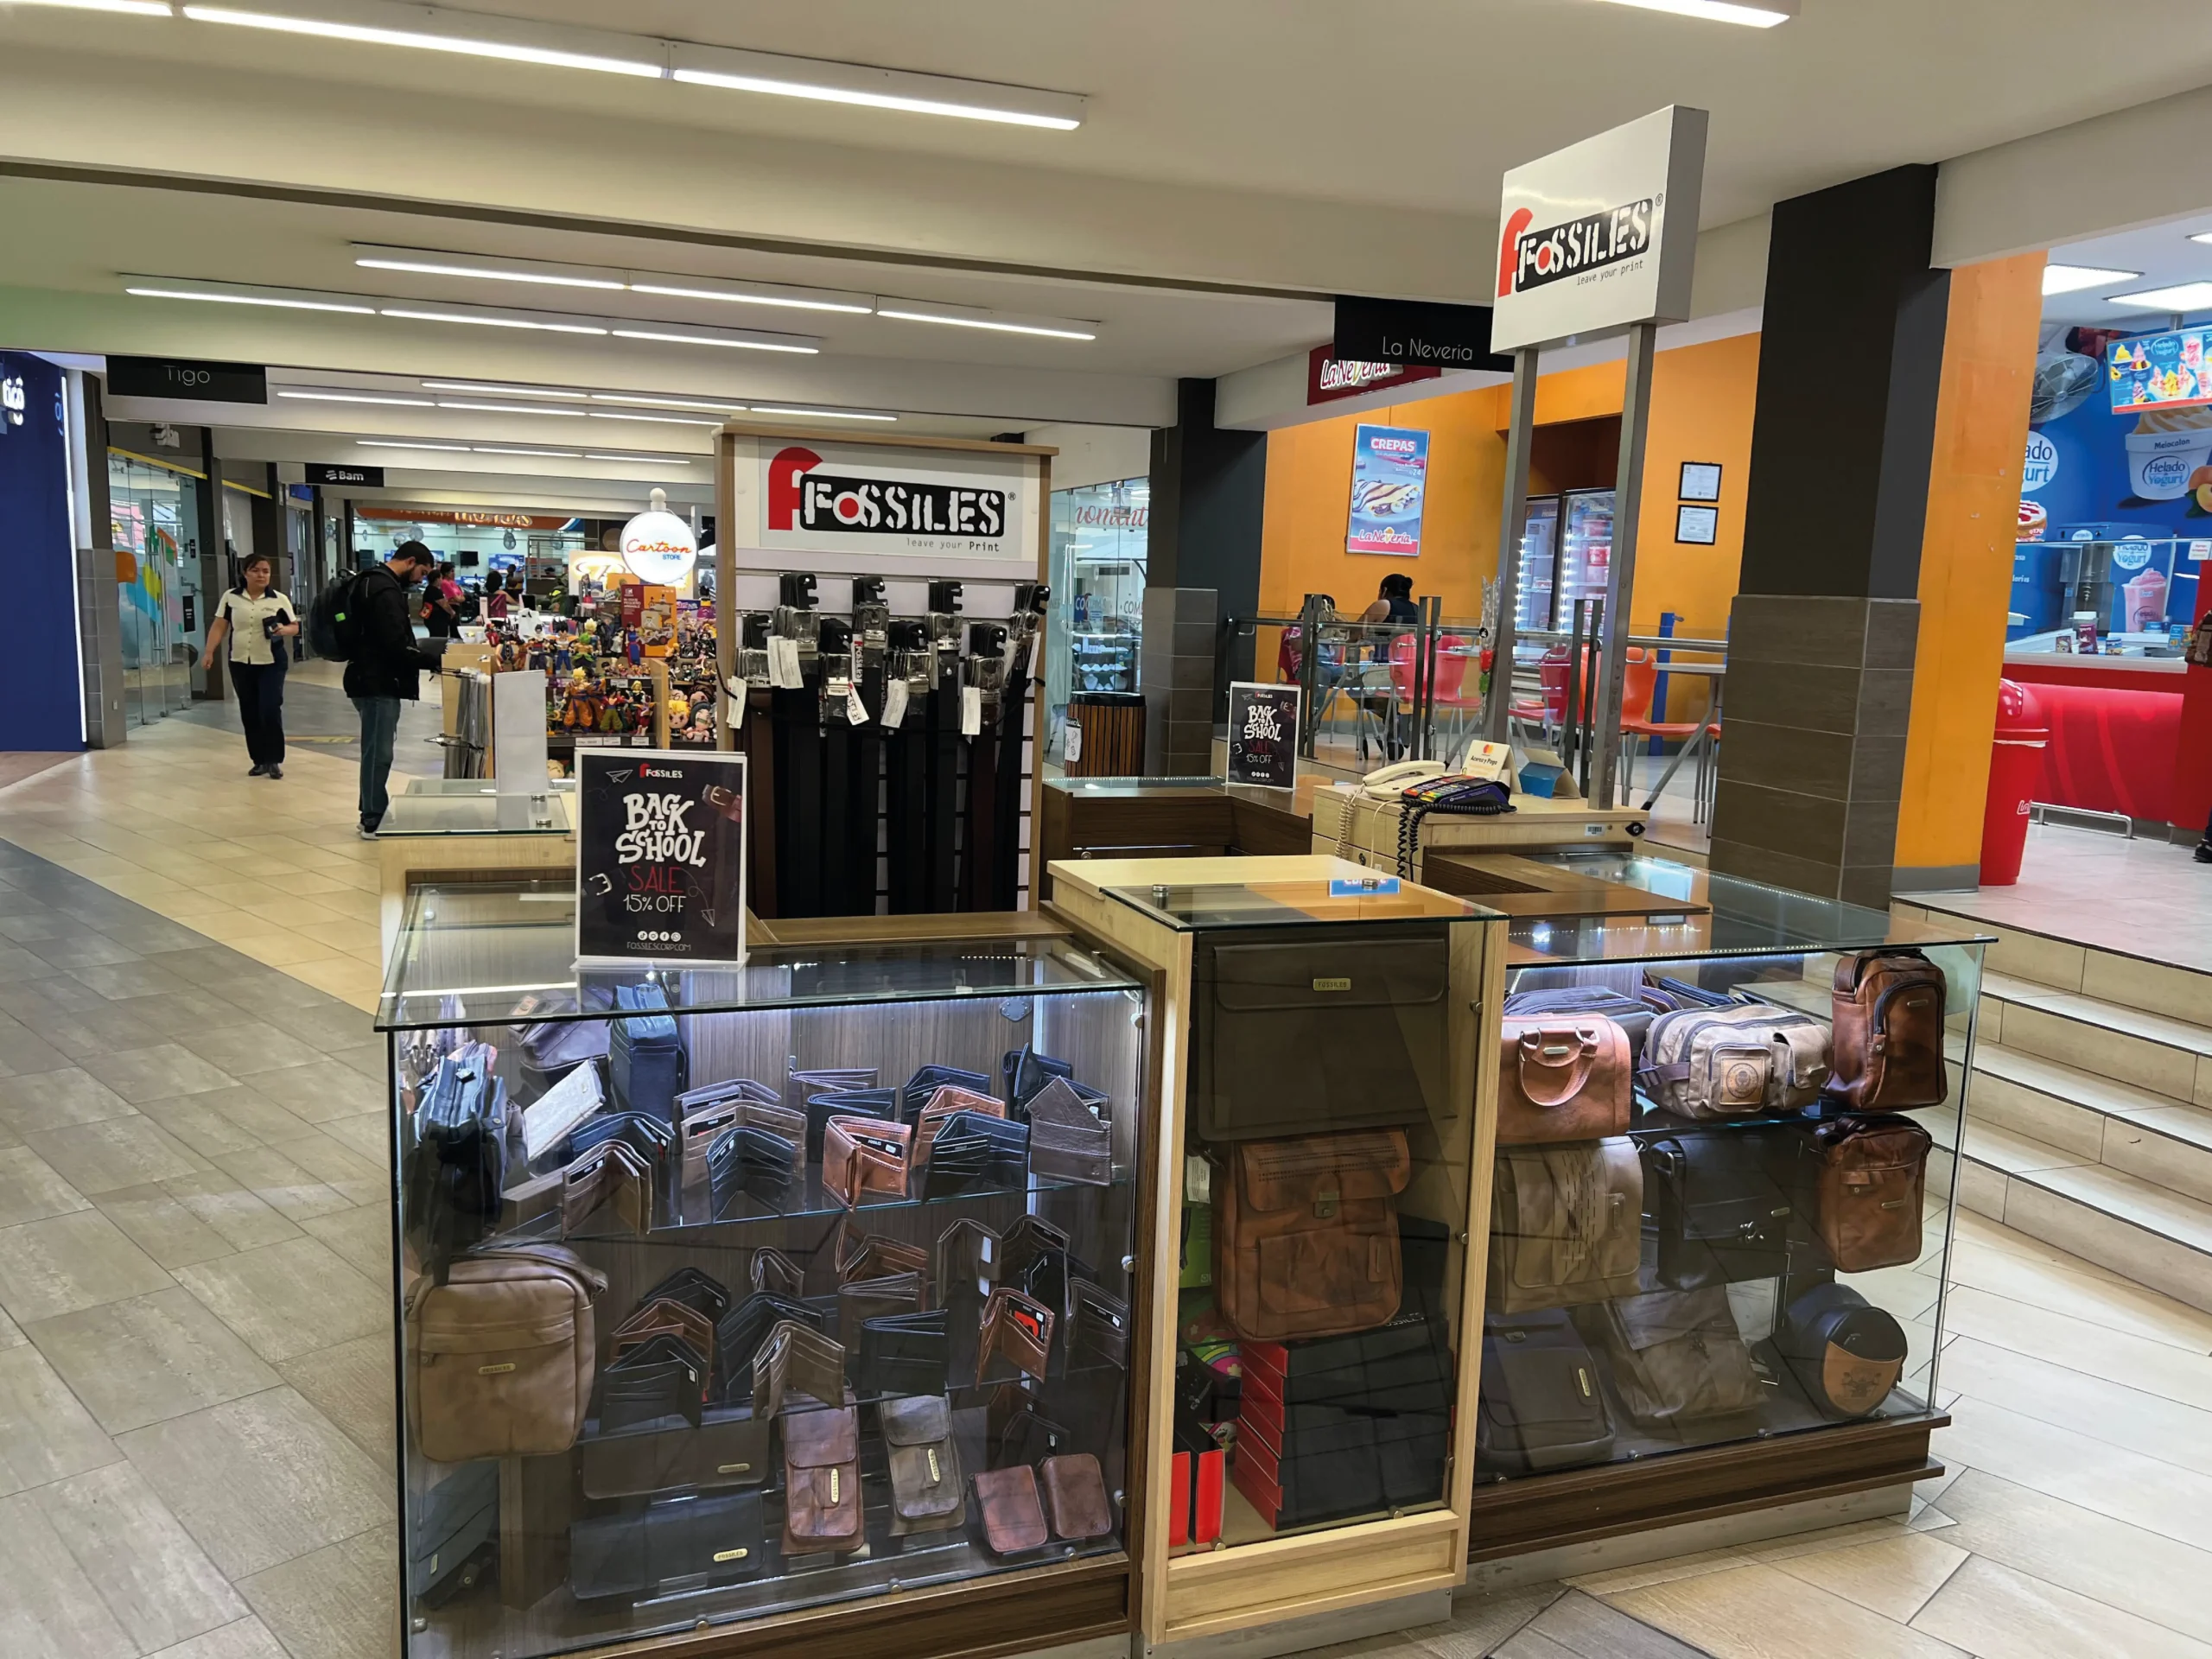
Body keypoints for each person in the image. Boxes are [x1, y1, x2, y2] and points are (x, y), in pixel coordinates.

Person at [346, 541, 445, 839]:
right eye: (422, 572)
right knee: (379, 753)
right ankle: (372, 818)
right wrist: (434, 661)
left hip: (368, 677)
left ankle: (370, 809)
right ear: (410, 561)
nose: (420, 579)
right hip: (377, 681)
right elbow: (395, 645)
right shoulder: (384, 590)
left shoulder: (372, 581)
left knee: (375, 749)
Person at [200, 551, 297, 779]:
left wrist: (283, 630)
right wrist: (209, 651)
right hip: (241, 662)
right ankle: (259, 760)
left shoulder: (279, 599)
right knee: (250, 711)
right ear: (245, 573)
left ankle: (274, 760)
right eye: (255, 571)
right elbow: (220, 625)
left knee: (270, 708)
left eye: (266, 571)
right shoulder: (231, 597)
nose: (261, 575)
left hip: (271, 662)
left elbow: (294, 626)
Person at [1357, 573, 1421, 763]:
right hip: (1412, 674)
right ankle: (1396, 724)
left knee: (1350, 684)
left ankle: (1393, 720)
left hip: (1383, 671)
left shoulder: (1383, 605)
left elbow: (1354, 632)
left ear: (1384, 590)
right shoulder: (1418, 610)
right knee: (1387, 693)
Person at [422, 561, 461, 637]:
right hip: (436, 620)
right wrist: (452, 612)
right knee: (439, 638)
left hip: (433, 619)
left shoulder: (430, 589)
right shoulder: (435, 591)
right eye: (441, 578)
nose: (442, 580)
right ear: (437, 579)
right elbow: (444, 604)